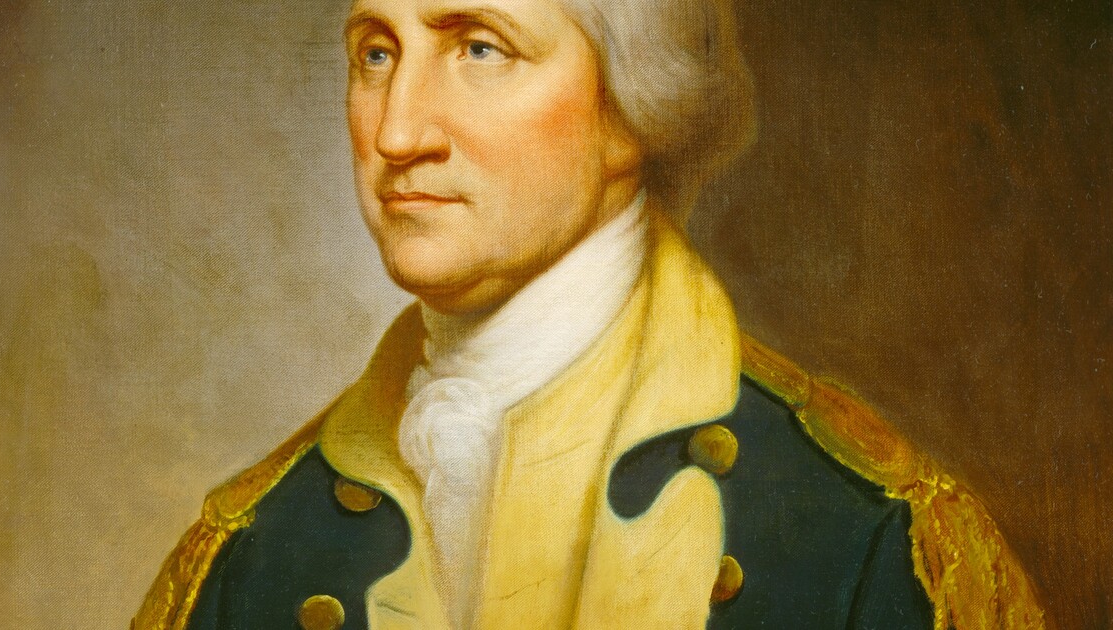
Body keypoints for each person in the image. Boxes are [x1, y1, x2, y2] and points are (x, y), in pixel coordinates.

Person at [134, 0, 1044, 627]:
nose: (397, 132)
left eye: (479, 48)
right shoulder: (243, 558)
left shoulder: (874, 540)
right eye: (376, 53)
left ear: (631, 109)